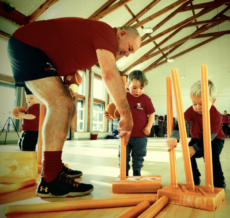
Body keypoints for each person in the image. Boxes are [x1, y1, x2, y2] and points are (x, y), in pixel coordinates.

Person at [8, 17, 141, 198]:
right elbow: (109, 75)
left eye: (130, 53)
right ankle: (50, 178)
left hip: (36, 51)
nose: (127, 54)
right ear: (122, 34)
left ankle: (54, 167)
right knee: (61, 104)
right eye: (130, 48)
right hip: (29, 46)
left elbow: (66, 51)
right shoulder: (107, 33)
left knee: (68, 106)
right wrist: (127, 116)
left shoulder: (96, 47)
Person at [166, 80, 226, 189]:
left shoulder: (216, 115)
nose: (197, 107)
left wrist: (195, 148)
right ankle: (194, 178)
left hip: (215, 139)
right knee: (187, 153)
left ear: (213, 101)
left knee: (212, 157)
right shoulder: (192, 110)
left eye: (201, 104)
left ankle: (219, 181)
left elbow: (209, 136)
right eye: (194, 104)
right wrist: (174, 137)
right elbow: (181, 123)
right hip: (197, 138)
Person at [105, 71, 155, 176]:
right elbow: (116, 112)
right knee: (123, 156)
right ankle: (124, 173)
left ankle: (137, 172)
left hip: (140, 136)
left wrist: (149, 127)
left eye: (141, 88)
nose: (138, 91)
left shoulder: (146, 99)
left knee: (139, 156)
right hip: (124, 134)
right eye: (134, 88)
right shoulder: (123, 97)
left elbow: (151, 114)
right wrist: (110, 115)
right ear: (128, 85)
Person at [17, 86, 40, 151]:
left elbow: (32, 116)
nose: (28, 100)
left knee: (28, 146)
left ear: (39, 99)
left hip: (32, 131)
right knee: (22, 144)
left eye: (31, 98)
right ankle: (25, 156)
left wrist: (24, 115)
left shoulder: (36, 106)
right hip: (27, 130)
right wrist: (23, 116)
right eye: (27, 98)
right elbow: (28, 116)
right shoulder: (30, 107)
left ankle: (29, 158)